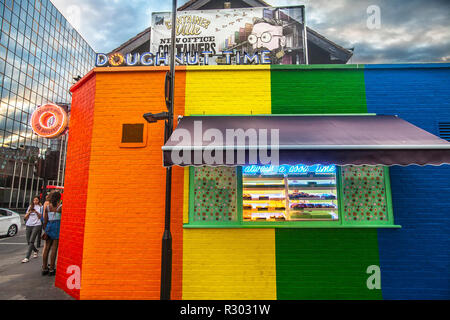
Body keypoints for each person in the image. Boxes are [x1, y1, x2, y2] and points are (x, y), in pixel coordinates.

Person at [42, 192, 62, 276]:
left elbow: (45, 220)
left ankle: (44, 267)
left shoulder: (47, 207)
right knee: (54, 249)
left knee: (46, 248)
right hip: (57, 227)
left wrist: (46, 229)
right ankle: (52, 268)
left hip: (49, 226)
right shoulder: (60, 207)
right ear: (59, 199)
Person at [22, 196, 42, 263]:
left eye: (36, 200)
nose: (35, 201)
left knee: (31, 241)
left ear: (39, 200)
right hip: (29, 224)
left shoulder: (40, 207)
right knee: (28, 241)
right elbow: (25, 217)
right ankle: (36, 250)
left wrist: (36, 212)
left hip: (37, 225)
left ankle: (27, 257)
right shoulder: (30, 206)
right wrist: (29, 212)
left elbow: (40, 217)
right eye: (34, 200)